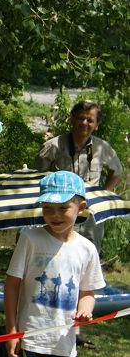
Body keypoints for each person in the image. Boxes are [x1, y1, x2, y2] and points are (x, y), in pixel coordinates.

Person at [4, 171, 105, 357]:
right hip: (35, 334)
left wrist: (86, 308)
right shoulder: (30, 237)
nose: (55, 215)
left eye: (63, 208)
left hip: (65, 339)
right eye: (48, 208)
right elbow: (12, 285)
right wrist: (12, 329)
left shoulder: (86, 249)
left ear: (81, 207)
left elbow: (88, 291)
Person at [35, 100, 124, 253]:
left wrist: (102, 195)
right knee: (55, 254)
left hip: (89, 216)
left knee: (89, 255)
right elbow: (35, 180)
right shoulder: (52, 147)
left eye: (90, 120)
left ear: (97, 125)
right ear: (72, 119)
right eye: (80, 118)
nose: (84, 123)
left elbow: (117, 173)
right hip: (59, 214)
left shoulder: (102, 148)